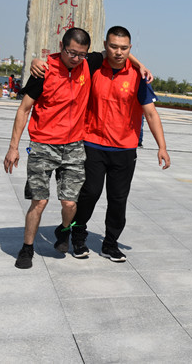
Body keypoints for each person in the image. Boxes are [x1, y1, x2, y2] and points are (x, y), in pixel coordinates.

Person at [66, 26, 170, 262]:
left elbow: (151, 113)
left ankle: (110, 244)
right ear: (105, 45)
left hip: (124, 148)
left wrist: (162, 147)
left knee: (118, 199)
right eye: (113, 46)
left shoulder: (138, 76)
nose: (118, 52)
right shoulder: (92, 67)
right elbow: (66, 61)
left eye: (124, 48)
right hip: (93, 143)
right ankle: (78, 236)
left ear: (130, 48)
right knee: (89, 193)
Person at [3, 28, 93, 269]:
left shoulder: (88, 64)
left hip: (74, 146)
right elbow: (24, 109)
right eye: (71, 53)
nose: (76, 58)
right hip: (43, 145)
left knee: (70, 203)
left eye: (82, 54)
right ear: (61, 47)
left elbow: (116, 51)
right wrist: (13, 147)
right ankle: (27, 248)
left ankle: (63, 230)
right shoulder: (43, 71)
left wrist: (141, 67)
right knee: (39, 201)